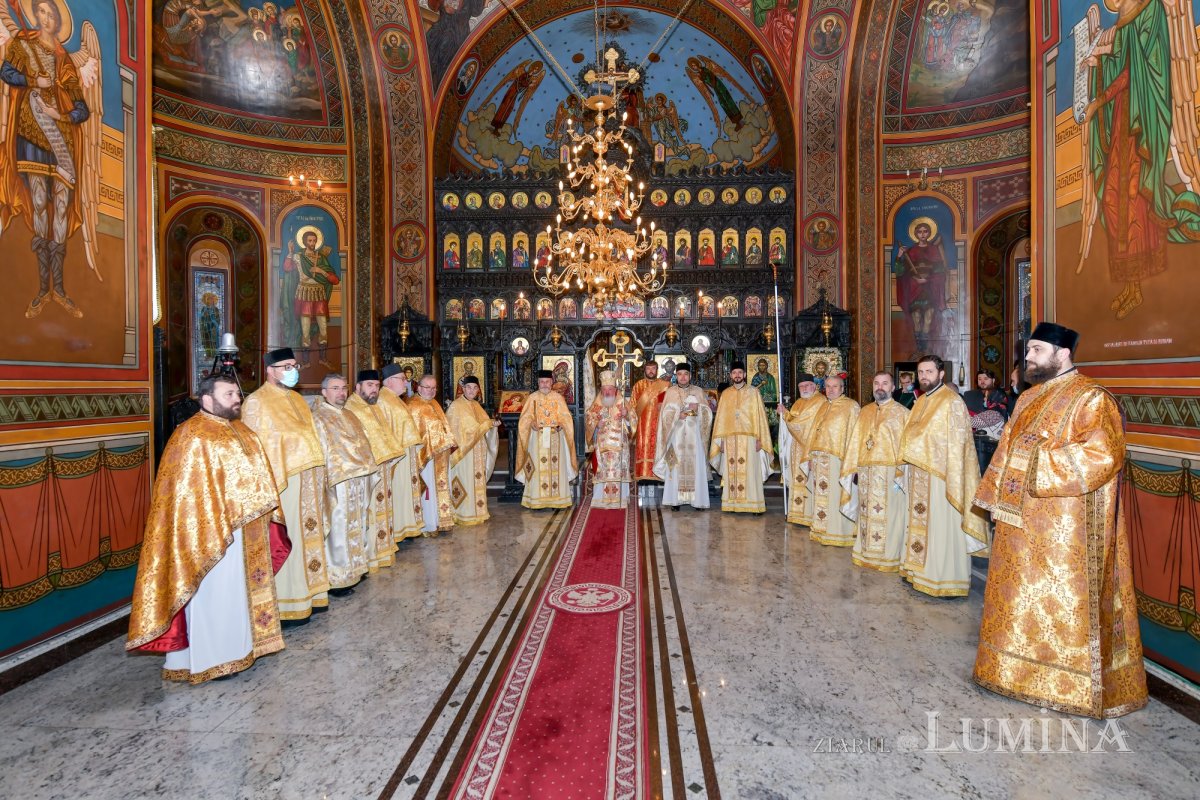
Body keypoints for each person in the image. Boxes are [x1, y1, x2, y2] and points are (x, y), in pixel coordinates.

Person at [973, 322, 1147, 718]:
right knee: (1017, 597)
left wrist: (1036, 460)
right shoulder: (1028, 398)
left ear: (1062, 353)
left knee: (1062, 603)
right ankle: (1009, 672)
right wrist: (994, 499)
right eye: (1028, 350)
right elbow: (1005, 450)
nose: (1028, 358)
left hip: (1066, 529)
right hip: (1020, 520)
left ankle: (1068, 686)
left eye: (1035, 350)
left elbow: (1103, 456)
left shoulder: (1091, 398)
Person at [126, 375, 285, 683]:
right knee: (216, 593)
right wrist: (217, 523)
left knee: (239, 592)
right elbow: (186, 498)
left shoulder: (242, 430)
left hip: (246, 529)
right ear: (207, 400)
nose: (237, 398)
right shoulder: (192, 436)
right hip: (209, 536)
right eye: (229, 394)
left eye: (237, 393)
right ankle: (215, 658)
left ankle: (246, 647)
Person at [241, 347, 331, 621]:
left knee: (308, 538)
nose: (293, 371)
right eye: (286, 366)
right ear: (270, 370)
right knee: (291, 537)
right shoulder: (257, 402)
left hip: (309, 480)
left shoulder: (298, 399)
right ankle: (290, 603)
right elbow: (257, 450)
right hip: (285, 483)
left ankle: (313, 594)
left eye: (294, 366)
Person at [897, 354, 989, 597]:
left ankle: (943, 578)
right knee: (920, 525)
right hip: (918, 473)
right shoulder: (920, 402)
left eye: (929, 371)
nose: (924, 376)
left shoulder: (951, 401)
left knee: (940, 527)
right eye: (921, 372)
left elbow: (958, 444)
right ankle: (918, 572)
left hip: (942, 477)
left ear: (941, 374)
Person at [309, 374, 375, 591]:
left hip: (358, 478)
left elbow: (363, 444)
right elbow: (322, 451)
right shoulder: (319, 417)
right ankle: (339, 576)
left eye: (343, 388)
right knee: (339, 524)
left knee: (357, 523)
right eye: (335, 388)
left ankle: (357, 567)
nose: (341, 392)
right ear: (324, 392)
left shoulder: (351, 415)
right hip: (339, 481)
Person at [842, 372, 911, 572]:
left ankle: (888, 557)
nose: (880, 387)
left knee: (890, 515)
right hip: (865, 473)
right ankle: (866, 552)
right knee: (866, 513)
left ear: (892, 387)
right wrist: (853, 468)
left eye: (884, 383)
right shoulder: (864, 411)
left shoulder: (902, 413)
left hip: (890, 473)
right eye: (876, 383)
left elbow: (906, 446)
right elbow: (855, 441)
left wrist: (901, 472)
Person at [345, 370, 404, 568]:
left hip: (384, 465)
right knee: (370, 511)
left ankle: (383, 550)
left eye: (377, 386)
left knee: (383, 509)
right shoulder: (352, 408)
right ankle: (371, 555)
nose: (374, 390)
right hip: (369, 471)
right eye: (369, 385)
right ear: (358, 386)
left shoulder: (374, 406)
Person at [709, 361, 774, 513]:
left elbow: (760, 418)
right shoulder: (725, 394)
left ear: (744, 374)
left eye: (740, 372)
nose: (737, 375)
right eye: (734, 373)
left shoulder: (754, 392)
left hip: (750, 439)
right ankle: (731, 505)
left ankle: (754, 506)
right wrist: (721, 441)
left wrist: (760, 439)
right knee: (731, 471)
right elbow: (721, 420)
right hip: (730, 439)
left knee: (751, 472)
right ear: (731, 375)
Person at [805, 375, 860, 546]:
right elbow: (813, 433)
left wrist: (852, 462)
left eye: (835, 386)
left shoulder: (851, 406)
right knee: (822, 496)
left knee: (836, 496)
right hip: (819, 459)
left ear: (843, 388)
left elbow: (856, 435)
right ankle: (822, 531)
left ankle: (838, 533)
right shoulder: (823, 406)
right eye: (828, 386)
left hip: (839, 460)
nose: (830, 389)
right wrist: (809, 456)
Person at [516, 370, 577, 509]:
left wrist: (562, 424)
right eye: (542, 382)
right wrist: (531, 423)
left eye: (547, 382)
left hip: (556, 438)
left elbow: (566, 417)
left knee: (556, 467)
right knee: (537, 468)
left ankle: (558, 500)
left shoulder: (558, 398)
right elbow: (525, 418)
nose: (544, 384)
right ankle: (537, 501)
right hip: (537, 439)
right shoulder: (532, 398)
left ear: (551, 383)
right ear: (538, 383)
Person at [654, 363, 713, 509]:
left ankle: (698, 501)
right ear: (676, 376)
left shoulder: (698, 391)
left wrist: (698, 408)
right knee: (675, 466)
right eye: (680, 374)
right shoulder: (671, 392)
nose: (683, 377)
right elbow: (664, 416)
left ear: (690, 376)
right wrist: (676, 415)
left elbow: (708, 415)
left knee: (696, 466)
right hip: (676, 437)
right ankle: (675, 501)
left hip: (695, 438)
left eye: (685, 374)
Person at [378, 364, 425, 540]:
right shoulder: (383, 399)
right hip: (397, 457)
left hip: (405, 454)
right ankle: (397, 530)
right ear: (390, 381)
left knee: (404, 491)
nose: (406, 383)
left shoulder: (395, 399)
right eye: (403, 379)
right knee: (398, 492)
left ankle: (405, 527)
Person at [446, 376, 500, 525]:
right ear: (463, 389)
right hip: (464, 454)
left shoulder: (476, 405)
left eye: (474, 388)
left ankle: (478, 512)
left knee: (476, 481)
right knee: (465, 481)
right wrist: (486, 425)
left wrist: (493, 426)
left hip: (478, 451)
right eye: (468, 387)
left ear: (478, 390)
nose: (471, 390)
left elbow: (484, 426)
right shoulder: (456, 406)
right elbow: (465, 430)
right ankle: (463, 514)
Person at [408, 374, 458, 535]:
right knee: (429, 490)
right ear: (419, 387)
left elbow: (444, 426)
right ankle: (429, 524)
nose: (431, 391)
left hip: (441, 455)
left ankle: (442, 520)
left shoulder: (434, 403)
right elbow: (415, 435)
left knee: (441, 487)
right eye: (427, 387)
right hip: (427, 457)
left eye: (434, 388)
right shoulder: (413, 406)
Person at [778, 373, 827, 526]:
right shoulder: (799, 402)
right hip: (797, 448)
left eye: (807, 385)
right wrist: (785, 415)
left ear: (814, 386)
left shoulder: (819, 401)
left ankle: (809, 515)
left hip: (811, 448)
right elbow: (793, 423)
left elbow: (801, 424)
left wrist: (785, 415)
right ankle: (797, 514)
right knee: (797, 480)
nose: (804, 388)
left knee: (809, 480)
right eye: (801, 386)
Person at [585, 371, 638, 509]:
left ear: (615, 390)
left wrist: (626, 416)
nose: (607, 392)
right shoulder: (597, 403)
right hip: (602, 444)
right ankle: (599, 499)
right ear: (601, 391)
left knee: (618, 469)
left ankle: (621, 498)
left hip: (619, 444)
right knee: (602, 470)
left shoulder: (622, 402)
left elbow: (634, 419)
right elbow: (589, 418)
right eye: (604, 390)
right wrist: (596, 424)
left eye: (610, 389)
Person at [963, 368, 1009, 474]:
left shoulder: (997, 403)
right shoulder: (970, 395)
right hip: (980, 444)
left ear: (993, 380)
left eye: (985, 378)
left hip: (990, 446)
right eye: (979, 379)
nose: (982, 381)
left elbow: (975, 421)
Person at [630, 361, 670, 482]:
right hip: (643, 424)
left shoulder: (664, 385)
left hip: (659, 422)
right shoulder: (638, 385)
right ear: (644, 370)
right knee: (644, 446)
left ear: (657, 370)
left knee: (659, 446)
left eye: (653, 368)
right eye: (648, 369)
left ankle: (659, 473)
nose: (651, 371)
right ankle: (643, 473)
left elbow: (669, 403)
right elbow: (632, 406)